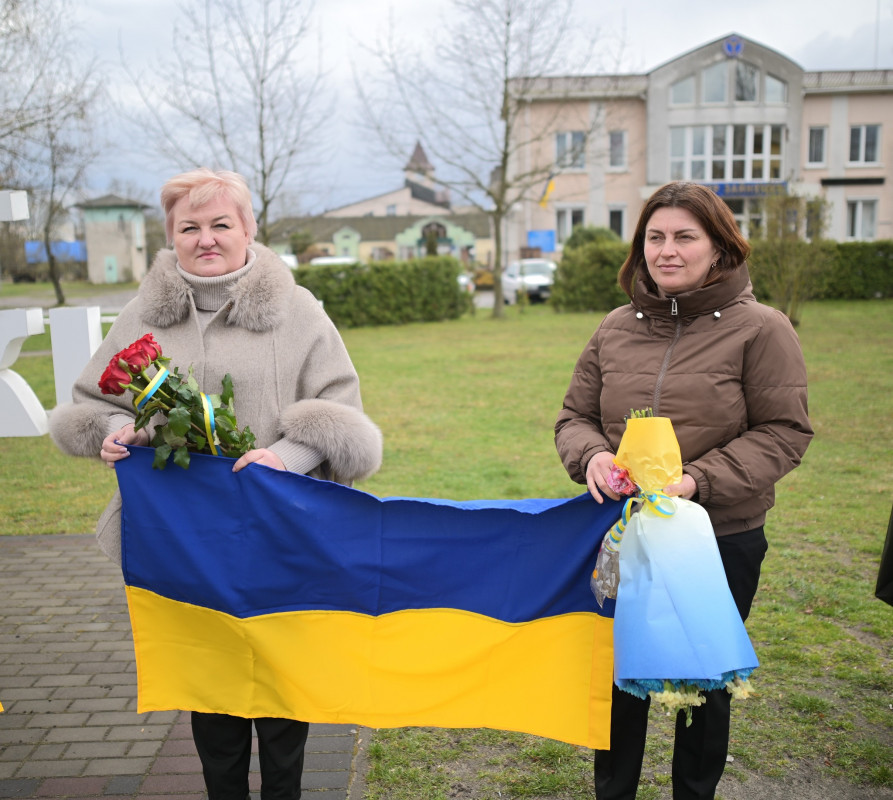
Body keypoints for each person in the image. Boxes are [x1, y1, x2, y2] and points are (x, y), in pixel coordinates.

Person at [49, 167, 383, 800]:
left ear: (249, 228)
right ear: (170, 236)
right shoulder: (143, 315)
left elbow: (342, 409)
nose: (206, 238)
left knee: (282, 688)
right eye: (189, 227)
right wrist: (116, 429)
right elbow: (90, 402)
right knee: (212, 689)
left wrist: (284, 456)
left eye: (220, 224)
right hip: (186, 541)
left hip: (278, 529)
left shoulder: (299, 311)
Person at [554, 181, 813, 800]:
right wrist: (590, 456)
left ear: (719, 246)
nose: (667, 251)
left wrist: (698, 481)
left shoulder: (763, 329)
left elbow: (784, 432)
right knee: (621, 679)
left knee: (703, 683)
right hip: (620, 536)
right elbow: (574, 417)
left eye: (684, 237)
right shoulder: (615, 328)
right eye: (655, 237)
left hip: (717, 540)